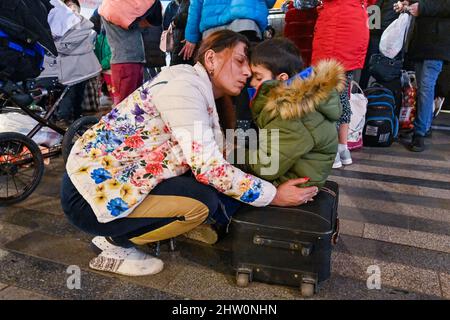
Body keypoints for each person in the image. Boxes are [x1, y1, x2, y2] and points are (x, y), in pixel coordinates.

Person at [61, 30, 319, 277]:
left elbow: (219, 154)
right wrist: (273, 195)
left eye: (250, 67)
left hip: (111, 182)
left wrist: (265, 170)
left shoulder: (199, 88)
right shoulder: (185, 87)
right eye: (240, 60)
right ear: (211, 58)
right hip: (89, 196)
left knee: (205, 190)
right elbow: (209, 168)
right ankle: (114, 241)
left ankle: (145, 227)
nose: (247, 71)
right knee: (200, 203)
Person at [241, 38, 344, 188]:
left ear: (282, 78)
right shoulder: (303, 102)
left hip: (292, 184)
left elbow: (267, 166)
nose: (252, 83)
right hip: (298, 174)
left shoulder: (291, 112)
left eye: (258, 77)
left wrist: (233, 153)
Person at [312, 0, 373, 169]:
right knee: (343, 95)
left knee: (329, 99)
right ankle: (342, 148)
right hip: (355, 31)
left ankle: (331, 153)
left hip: (335, 33)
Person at [394, 0, 450, 152]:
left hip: (437, 43)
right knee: (422, 87)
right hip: (420, 42)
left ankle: (419, 132)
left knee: (426, 85)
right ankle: (425, 124)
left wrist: (422, 7)